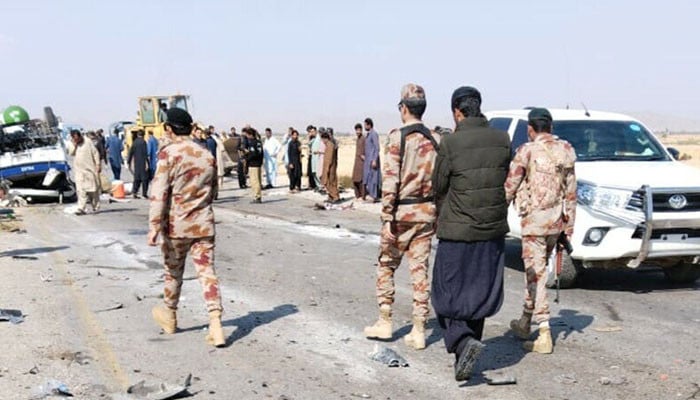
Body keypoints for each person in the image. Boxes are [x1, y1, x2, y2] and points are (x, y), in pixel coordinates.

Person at [431, 86, 511, 381]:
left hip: (458, 231)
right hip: (491, 232)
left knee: (445, 294)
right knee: (478, 294)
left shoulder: (451, 143)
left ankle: (462, 342)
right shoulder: (502, 139)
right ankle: (465, 354)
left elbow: (438, 185)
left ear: (456, 112)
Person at [364, 84, 440, 351]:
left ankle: (385, 321)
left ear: (403, 108)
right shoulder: (435, 139)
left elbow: (391, 180)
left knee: (386, 265)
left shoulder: (398, 137)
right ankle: (419, 329)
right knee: (420, 272)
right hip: (426, 214)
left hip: (400, 215)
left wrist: (387, 218)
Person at [148, 107, 225, 348]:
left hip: (176, 226)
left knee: (173, 271)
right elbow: (213, 192)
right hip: (203, 225)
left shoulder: (168, 154)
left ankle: (170, 316)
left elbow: (159, 194)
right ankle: (216, 323)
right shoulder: (206, 155)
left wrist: (154, 227)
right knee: (207, 273)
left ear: (168, 129)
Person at [504, 107, 576, 354]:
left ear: (530, 129)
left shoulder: (526, 150)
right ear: (551, 127)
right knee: (537, 270)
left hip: (534, 223)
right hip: (556, 223)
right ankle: (525, 321)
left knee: (536, 274)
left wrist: (494, 214)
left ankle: (544, 331)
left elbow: (510, 185)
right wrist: (570, 226)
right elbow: (571, 192)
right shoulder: (566, 150)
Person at [69, 130, 102, 215]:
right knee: (80, 190)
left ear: (80, 136)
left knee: (92, 190)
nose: (76, 140)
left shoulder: (88, 141)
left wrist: (98, 164)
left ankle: (95, 206)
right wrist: (75, 145)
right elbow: (71, 153)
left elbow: (95, 153)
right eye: (74, 139)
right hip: (79, 171)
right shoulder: (72, 143)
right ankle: (81, 208)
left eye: (77, 138)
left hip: (89, 170)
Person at [127, 130, 150, 199]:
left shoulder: (135, 142)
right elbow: (145, 153)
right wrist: (147, 163)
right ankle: (144, 193)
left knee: (136, 178)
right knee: (145, 179)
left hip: (136, 163)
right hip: (143, 162)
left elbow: (131, 152)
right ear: (143, 135)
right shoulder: (143, 142)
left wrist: (129, 162)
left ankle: (135, 192)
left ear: (137, 135)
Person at [244, 127, 264, 203]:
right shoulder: (259, 142)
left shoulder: (252, 143)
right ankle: (258, 196)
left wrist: (247, 156)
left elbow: (253, 154)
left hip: (253, 164)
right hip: (258, 164)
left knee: (254, 181)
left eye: (247, 135)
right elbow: (261, 153)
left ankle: (257, 197)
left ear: (250, 135)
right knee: (258, 181)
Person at [363, 118, 381, 202]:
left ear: (369, 125)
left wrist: (374, 160)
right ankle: (371, 194)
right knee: (369, 178)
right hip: (368, 160)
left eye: (365, 125)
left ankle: (374, 196)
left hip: (373, 160)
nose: (364, 126)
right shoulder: (368, 135)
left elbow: (377, 148)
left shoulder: (374, 134)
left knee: (374, 178)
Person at [321, 130, 339, 203]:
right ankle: (331, 196)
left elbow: (329, 158)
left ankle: (335, 196)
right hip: (328, 166)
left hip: (330, 167)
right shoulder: (328, 145)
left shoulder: (330, 145)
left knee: (331, 182)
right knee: (328, 181)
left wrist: (327, 168)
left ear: (325, 138)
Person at [352, 123, 366, 199]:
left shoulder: (364, 139)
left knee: (361, 179)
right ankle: (358, 195)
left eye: (359, 130)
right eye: (356, 130)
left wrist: (364, 157)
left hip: (362, 161)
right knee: (355, 178)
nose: (357, 132)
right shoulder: (357, 139)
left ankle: (362, 196)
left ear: (361, 130)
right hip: (357, 161)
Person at [306, 125, 319, 191]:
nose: (311, 133)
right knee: (311, 171)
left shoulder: (318, 138)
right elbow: (308, 144)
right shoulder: (312, 138)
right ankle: (312, 184)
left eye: (312, 131)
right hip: (312, 157)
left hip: (317, 157)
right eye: (310, 132)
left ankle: (317, 185)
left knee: (317, 172)